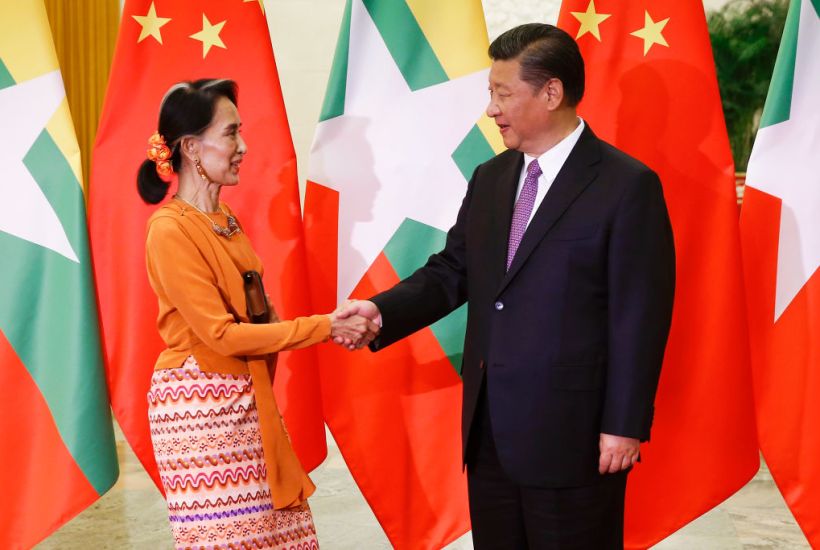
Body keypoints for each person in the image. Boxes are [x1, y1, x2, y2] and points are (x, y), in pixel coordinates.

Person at [339, 24, 675, 548]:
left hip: (576, 438)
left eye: (502, 94)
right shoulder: (491, 178)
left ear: (551, 92)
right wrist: (381, 311)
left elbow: (639, 316)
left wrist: (624, 424)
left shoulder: (626, 186)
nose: (491, 110)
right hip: (490, 433)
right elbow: (453, 270)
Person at [138, 78, 377, 549]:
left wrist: (320, 325)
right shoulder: (168, 230)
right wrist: (325, 326)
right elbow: (222, 336)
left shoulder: (226, 221)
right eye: (231, 133)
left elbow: (259, 320)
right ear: (191, 147)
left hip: (246, 401)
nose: (243, 146)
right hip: (201, 414)